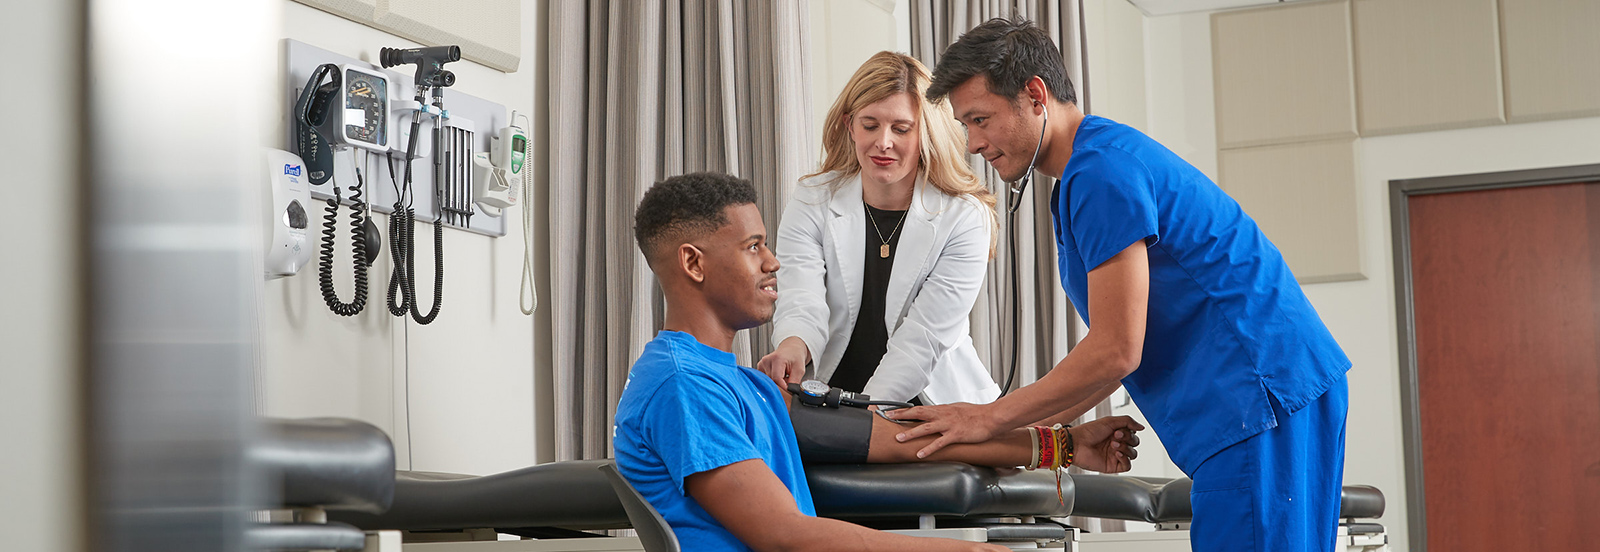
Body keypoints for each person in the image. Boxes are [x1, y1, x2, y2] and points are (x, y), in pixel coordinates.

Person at [887, 18, 1352, 552]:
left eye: (980, 119)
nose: (973, 144)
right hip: (1273, 389)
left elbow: (1116, 350)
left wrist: (986, 418)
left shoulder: (1100, 172)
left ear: (1035, 95)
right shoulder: (1094, 165)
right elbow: (1116, 352)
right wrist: (1034, 438)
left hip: (1258, 391)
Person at [613, 172, 1143, 552]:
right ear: (693, 263)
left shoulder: (747, 385)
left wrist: (1064, 444)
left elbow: (904, 438)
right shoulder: (685, 385)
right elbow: (782, 535)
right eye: (754, 247)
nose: (774, 262)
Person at [758, 51, 1001, 406]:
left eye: (901, 129)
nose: (883, 142)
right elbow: (802, 297)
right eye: (870, 125)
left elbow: (923, 339)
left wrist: (863, 417)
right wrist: (794, 345)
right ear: (849, 126)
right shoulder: (813, 198)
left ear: (926, 133)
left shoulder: (964, 216)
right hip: (831, 395)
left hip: (930, 402)